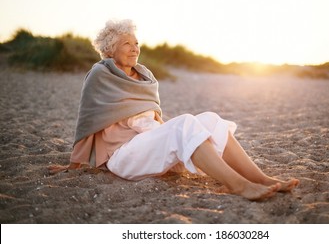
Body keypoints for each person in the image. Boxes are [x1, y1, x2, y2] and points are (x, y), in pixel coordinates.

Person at [51, 19, 299, 201]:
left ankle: (262, 179)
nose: (134, 48)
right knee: (184, 123)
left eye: (136, 43)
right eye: (126, 43)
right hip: (123, 156)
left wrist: (177, 136)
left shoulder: (144, 76)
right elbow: (88, 119)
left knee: (210, 119)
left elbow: (150, 122)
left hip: (147, 147)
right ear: (109, 49)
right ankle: (238, 185)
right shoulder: (100, 74)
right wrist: (76, 163)